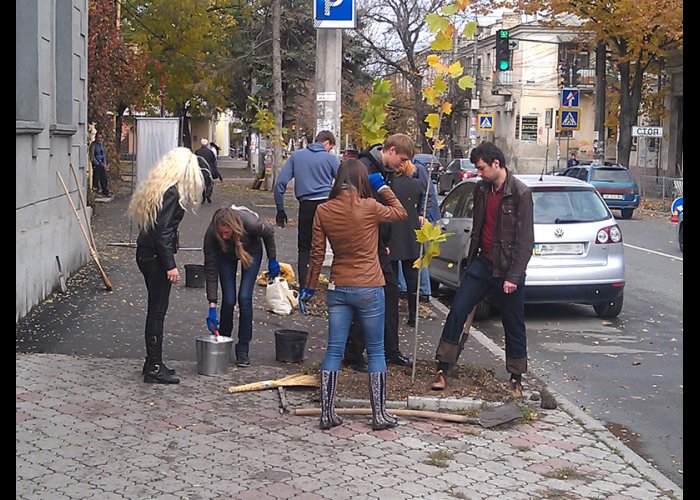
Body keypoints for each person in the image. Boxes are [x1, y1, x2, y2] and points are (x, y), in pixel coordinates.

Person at [299, 159, 407, 430]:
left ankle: (327, 414)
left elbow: (316, 254)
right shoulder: (369, 207)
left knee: (334, 349)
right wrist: (381, 186)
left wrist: (309, 287)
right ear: (362, 180)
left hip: (339, 286)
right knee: (376, 350)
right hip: (370, 286)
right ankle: (379, 415)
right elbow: (400, 213)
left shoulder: (323, 210)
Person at [432, 142, 534, 398]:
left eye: (481, 168)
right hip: (481, 263)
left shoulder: (520, 193)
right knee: (457, 310)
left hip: (508, 269)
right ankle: (443, 368)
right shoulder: (481, 190)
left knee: (513, 322)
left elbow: (525, 242)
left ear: (496, 164)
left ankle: (516, 377)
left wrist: (513, 276)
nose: (479, 173)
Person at [128, 147, 204, 384]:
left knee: (156, 310)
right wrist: (170, 265)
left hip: (146, 253)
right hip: (156, 257)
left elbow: (157, 229)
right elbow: (163, 233)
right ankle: (154, 366)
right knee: (157, 311)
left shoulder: (159, 188)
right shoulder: (171, 193)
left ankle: (153, 362)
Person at [342, 133, 417, 371]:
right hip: (364, 244)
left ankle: (389, 350)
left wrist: (385, 239)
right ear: (391, 150)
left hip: (378, 243)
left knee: (389, 294)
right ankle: (354, 354)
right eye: (402, 159)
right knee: (367, 296)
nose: (403, 165)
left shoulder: (382, 171)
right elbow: (358, 209)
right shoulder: (364, 168)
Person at [203, 206, 279, 368]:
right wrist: (212, 305)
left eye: (227, 232)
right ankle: (223, 341)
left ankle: (243, 348)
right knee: (229, 299)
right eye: (221, 233)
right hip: (226, 256)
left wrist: (272, 259)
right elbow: (210, 269)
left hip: (250, 251)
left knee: (244, 298)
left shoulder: (250, 223)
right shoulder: (211, 234)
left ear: (235, 228)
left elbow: (269, 232)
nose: (224, 235)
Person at [274, 130, 340, 287]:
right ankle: (336, 283)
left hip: (306, 206)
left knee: (304, 248)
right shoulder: (330, 159)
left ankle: (305, 286)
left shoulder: (297, 157)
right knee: (336, 245)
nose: (329, 150)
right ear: (326, 143)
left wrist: (280, 209)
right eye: (330, 147)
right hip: (327, 205)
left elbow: (280, 184)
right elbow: (344, 181)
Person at [397, 156, 441, 302]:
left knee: (418, 254)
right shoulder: (412, 170)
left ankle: (423, 290)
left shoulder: (418, 169)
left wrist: (423, 214)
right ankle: (410, 289)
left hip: (423, 219)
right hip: (415, 218)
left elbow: (427, 195)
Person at [386, 159, 422, 328]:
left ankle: (392, 315)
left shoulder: (390, 185)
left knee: (391, 279)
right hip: (411, 233)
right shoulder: (417, 184)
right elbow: (421, 206)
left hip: (393, 233)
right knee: (412, 279)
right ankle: (413, 315)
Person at [89, 131, 110, 196]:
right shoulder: (93, 145)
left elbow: (104, 155)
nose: (99, 139)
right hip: (96, 164)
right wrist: (96, 163)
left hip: (102, 164)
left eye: (100, 138)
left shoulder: (102, 145)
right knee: (96, 177)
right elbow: (92, 155)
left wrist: (105, 164)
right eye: (98, 138)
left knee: (103, 177)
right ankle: (96, 190)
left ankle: (105, 190)